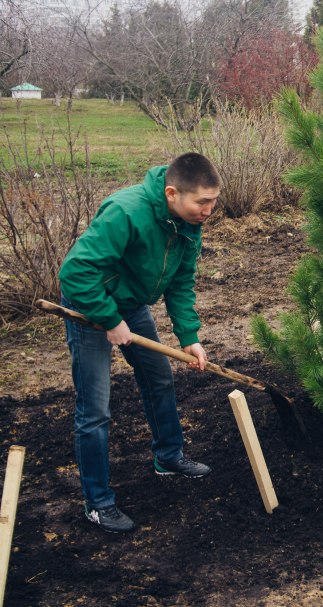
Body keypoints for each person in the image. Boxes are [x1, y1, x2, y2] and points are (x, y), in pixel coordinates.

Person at [59, 152, 221, 533]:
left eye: (213, 202)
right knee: (95, 407)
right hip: (90, 304)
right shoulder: (126, 211)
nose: (209, 211)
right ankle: (98, 503)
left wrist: (189, 337)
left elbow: (181, 282)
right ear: (171, 193)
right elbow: (75, 272)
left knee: (159, 377)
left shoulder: (188, 223)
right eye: (202, 202)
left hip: (129, 303)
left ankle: (168, 456)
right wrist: (109, 319)